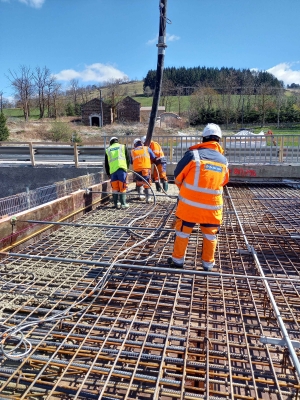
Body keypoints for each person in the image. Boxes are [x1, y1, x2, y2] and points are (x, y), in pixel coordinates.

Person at [167, 123, 229, 271]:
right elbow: (224, 181)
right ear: (218, 140)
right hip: (212, 209)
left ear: (203, 138)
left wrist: (186, 190)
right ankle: (208, 264)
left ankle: (177, 261)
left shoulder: (192, 155)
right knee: (210, 236)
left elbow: (177, 176)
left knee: (182, 233)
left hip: (189, 207)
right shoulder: (223, 161)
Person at [105, 136, 130, 209]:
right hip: (122, 169)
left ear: (110, 142)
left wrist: (108, 174)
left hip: (113, 171)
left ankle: (116, 204)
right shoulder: (122, 147)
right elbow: (128, 159)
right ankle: (123, 204)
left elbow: (106, 164)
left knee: (115, 187)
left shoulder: (108, 149)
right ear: (117, 141)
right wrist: (127, 169)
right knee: (122, 186)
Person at [131, 138, 156, 203]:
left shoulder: (133, 151)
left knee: (139, 182)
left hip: (136, 169)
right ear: (141, 143)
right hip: (145, 168)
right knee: (147, 183)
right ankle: (148, 198)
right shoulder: (146, 148)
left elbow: (131, 162)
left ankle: (141, 196)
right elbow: (153, 157)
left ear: (134, 144)